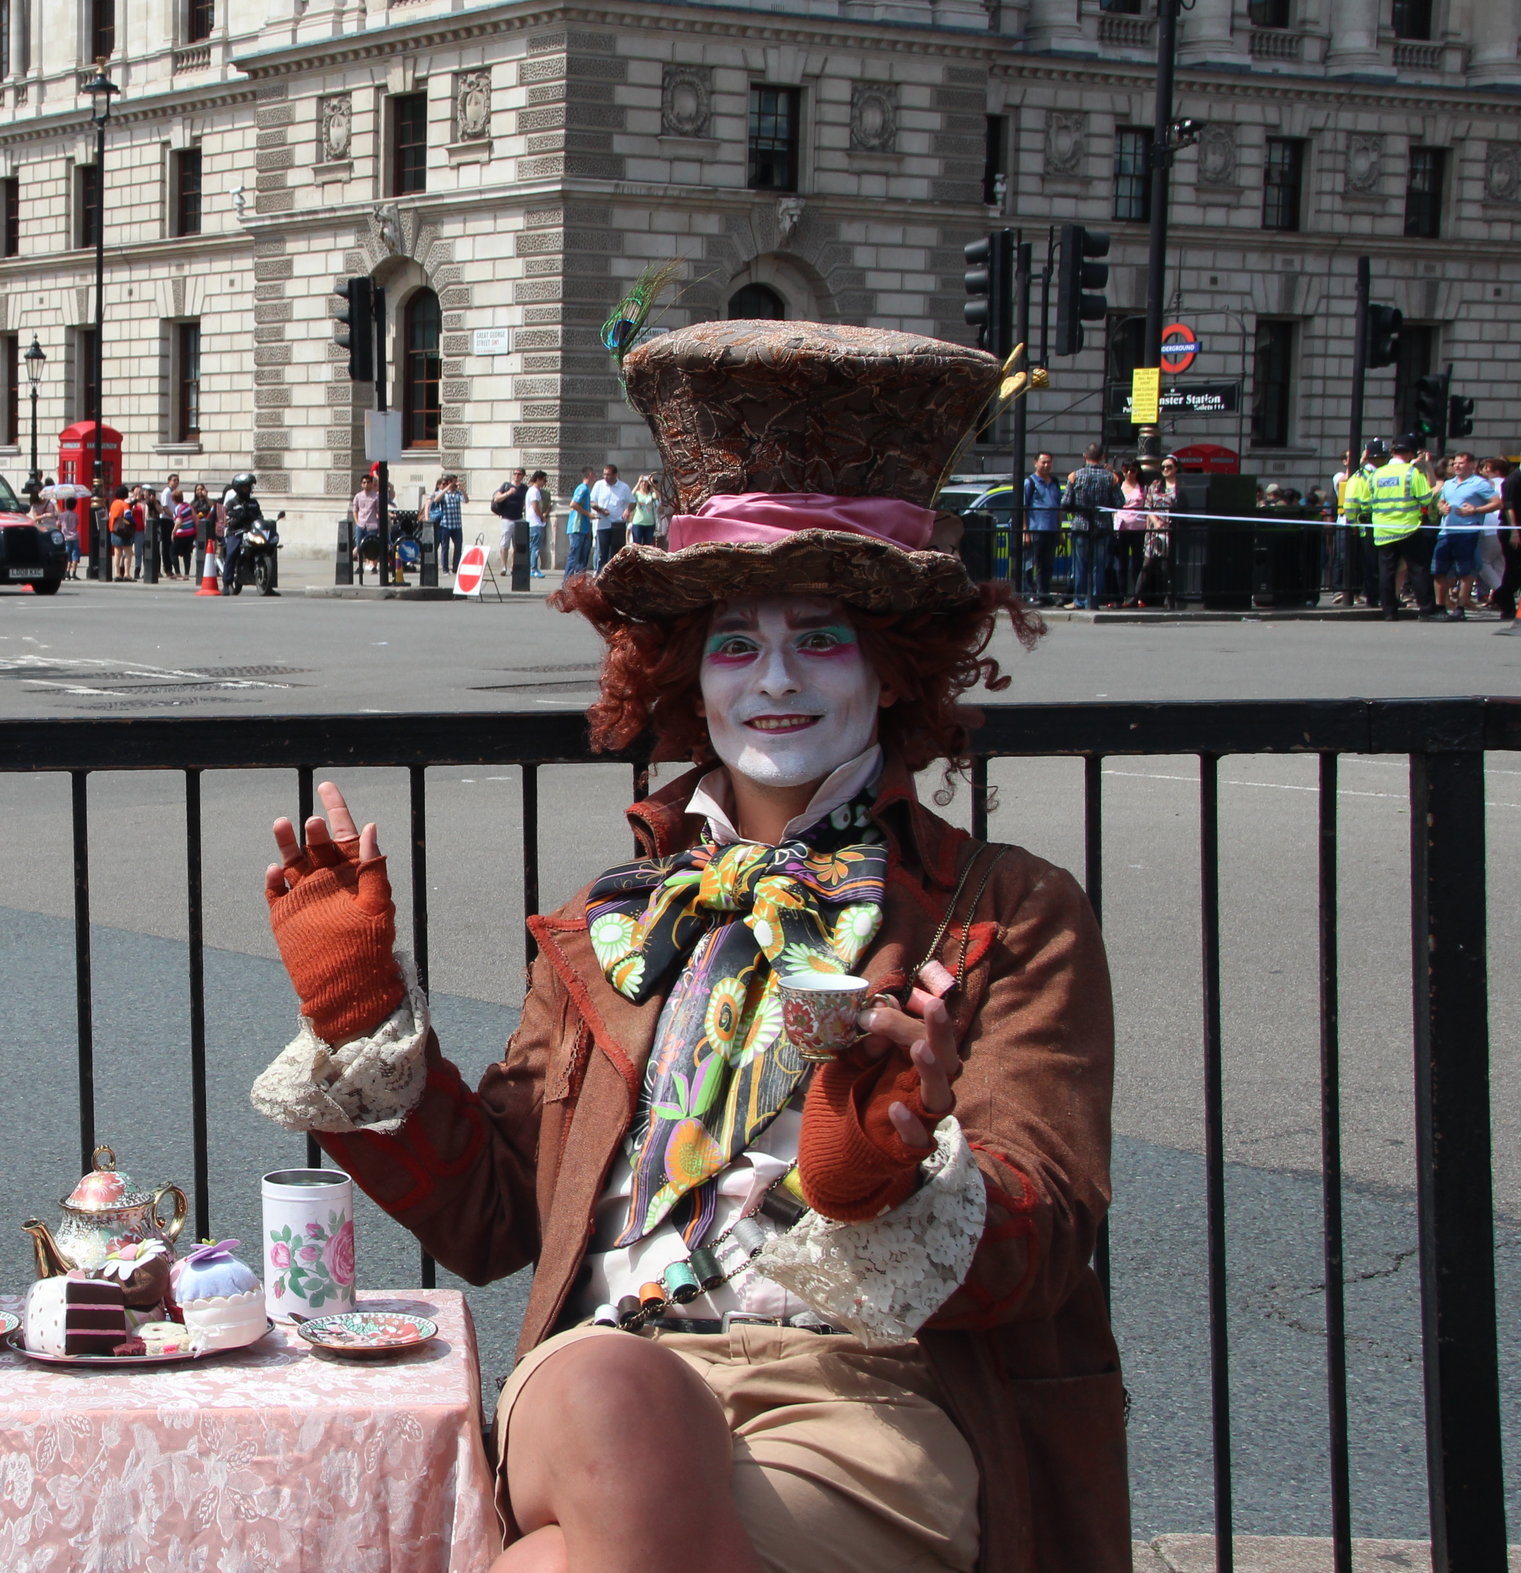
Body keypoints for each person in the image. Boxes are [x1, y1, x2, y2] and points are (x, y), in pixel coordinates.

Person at [252, 318, 1129, 1573]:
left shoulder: (1010, 910)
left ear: (892, 670)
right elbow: (501, 1219)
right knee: (620, 1395)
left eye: (820, 635)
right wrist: (357, 1011)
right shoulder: (620, 916)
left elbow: (1041, 1245)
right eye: (737, 642)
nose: (775, 677)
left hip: (862, 1407)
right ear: (688, 678)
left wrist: (879, 1171)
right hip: (609, 1373)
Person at [1344, 435, 1441, 622]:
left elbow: (1366, 502)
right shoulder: (1411, 473)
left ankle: (1389, 611)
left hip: (1382, 529)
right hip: (1408, 527)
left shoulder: (1377, 474)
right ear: (1411, 453)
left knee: (1386, 571)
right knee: (1418, 569)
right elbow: (1426, 499)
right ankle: (1427, 610)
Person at [1432, 451, 1499, 621]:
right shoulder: (1448, 484)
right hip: (1446, 531)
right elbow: (1441, 500)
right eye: (1454, 463)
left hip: (1467, 532)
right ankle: (1440, 607)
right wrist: (1441, 507)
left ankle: (1460, 607)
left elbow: (1497, 503)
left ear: (1472, 465)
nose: (1456, 466)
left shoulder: (1479, 483)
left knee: (1465, 571)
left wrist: (1475, 510)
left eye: (1461, 463)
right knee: (1439, 570)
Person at [1063, 444, 1123, 610]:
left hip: (1081, 526)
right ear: (1102, 457)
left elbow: (1066, 502)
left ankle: (1079, 599)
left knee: (1080, 565)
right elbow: (1119, 502)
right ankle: (1093, 600)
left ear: (1084, 456)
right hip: (1103, 527)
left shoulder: (1075, 476)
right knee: (1098, 566)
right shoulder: (1111, 478)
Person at [1021, 451, 1063, 606]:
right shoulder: (1030, 483)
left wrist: (1059, 530)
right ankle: (1030, 594)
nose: (1046, 465)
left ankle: (1044, 593)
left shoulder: (1055, 482)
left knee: (1047, 564)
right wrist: (1025, 532)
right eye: (1043, 462)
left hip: (1051, 529)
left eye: (1049, 462)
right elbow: (1023, 508)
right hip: (1036, 528)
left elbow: (1058, 508)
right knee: (1032, 563)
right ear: (1035, 463)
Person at [1111, 459, 1146, 607]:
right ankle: (1121, 595)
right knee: (1121, 564)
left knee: (1137, 563)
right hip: (1121, 528)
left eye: (1132, 470)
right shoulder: (1118, 485)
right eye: (1126, 470)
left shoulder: (1143, 487)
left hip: (1139, 528)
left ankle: (1136, 596)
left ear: (1137, 471)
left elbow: (1147, 506)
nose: (1129, 473)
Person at [222, 471, 262, 595]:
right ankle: (226, 582)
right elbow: (227, 517)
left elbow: (259, 516)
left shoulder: (253, 502)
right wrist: (232, 517)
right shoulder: (232, 503)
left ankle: (267, 583)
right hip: (236, 532)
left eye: (248, 487)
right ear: (238, 488)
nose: (247, 489)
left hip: (251, 532)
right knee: (232, 553)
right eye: (244, 487)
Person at [590, 462, 633, 573]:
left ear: (615, 475)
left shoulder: (623, 487)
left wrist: (627, 510)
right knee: (602, 552)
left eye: (608, 475)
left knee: (616, 552)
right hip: (603, 523)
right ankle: (600, 573)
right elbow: (592, 502)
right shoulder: (599, 485)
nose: (605, 477)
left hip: (618, 523)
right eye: (604, 474)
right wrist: (601, 510)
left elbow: (632, 502)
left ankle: (615, 574)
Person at [493, 468, 529, 575]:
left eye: (519, 474)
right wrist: (508, 493)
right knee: (504, 544)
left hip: (518, 518)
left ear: (523, 476)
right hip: (506, 518)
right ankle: (503, 567)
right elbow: (497, 498)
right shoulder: (506, 485)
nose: (517, 476)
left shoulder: (524, 488)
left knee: (517, 545)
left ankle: (514, 566)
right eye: (515, 474)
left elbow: (526, 502)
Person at [431, 473, 468, 576]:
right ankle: (445, 569)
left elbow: (466, 500)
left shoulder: (457, 494)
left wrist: (462, 489)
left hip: (456, 525)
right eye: (453, 482)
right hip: (445, 524)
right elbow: (436, 500)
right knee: (445, 547)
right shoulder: (442, 493)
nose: (455, 484)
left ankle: (456, 568)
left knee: (458, 547)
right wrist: (446, 489)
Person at [565, 466, 596, 577]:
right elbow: (573, 504)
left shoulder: (587, 489)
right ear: (589, 475)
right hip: (576, 527)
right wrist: (589, 514)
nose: (595, 477)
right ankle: (567, 580)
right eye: (594, 475)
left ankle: (578, 580)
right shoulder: (582, 488)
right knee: (575, 555)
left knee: (583, 557)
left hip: (584, 528)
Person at [525, 470, 550, 578]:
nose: (545, 482)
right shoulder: (535, 491)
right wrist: (542, 517)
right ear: (538, 479)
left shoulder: (531, 490)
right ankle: (533, 568)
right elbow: (535, 507)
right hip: (535, 522)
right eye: (544, 480)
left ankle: (531, 567)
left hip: (531, 522)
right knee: (535, 546)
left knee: (532, 546)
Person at [107, 486, 133, 581]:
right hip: (123, 531)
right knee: (128, 553)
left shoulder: (113, 504)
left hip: (114, 530)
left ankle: (117, 574)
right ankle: (127, 574)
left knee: (117, 553)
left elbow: (110, 516)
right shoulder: (125, 504)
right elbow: (128, 517)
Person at [628, 474, 660, 546]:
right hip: (638, 522)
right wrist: (638, 482)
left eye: (645, 482)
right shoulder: (637, 494)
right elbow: (630, 495)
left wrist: (652, 483)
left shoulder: (651, 494)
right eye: (642, 482)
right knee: (637, 544)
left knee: (647, 545)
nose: (644, 484)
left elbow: (658, 496)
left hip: (650, 523)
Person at [171, 493, 196, 577]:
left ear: (174, 499)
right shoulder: (188, 506)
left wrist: (173, 532)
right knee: (187, 553)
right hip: (190, 532)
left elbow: (178, 521)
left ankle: (177, 572)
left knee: (173, 552)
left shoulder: (178, 508)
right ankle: (187, 574)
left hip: (181, 534)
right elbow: (194, 517)